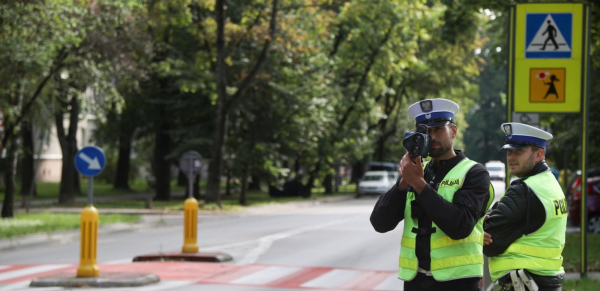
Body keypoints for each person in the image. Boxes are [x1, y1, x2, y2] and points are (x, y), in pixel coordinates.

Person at [370, 98, 493, 291]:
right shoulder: (417, 171)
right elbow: (380, 223)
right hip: (415, 282)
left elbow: (460, 226)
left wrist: (419, 184)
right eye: (425, 131)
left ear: (453, 131)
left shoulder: (474, 173)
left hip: (458, 283)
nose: (431, 137)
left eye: (438, 130)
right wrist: (404, 182)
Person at [483, 123, 566, 291]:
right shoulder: (550, 183)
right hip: (546, 280)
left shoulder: (524, 190)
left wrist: (480, 225)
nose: (511, 157)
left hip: (525, 283)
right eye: (509, 151)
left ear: (539, 154)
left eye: (519, 151)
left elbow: (490, 243)